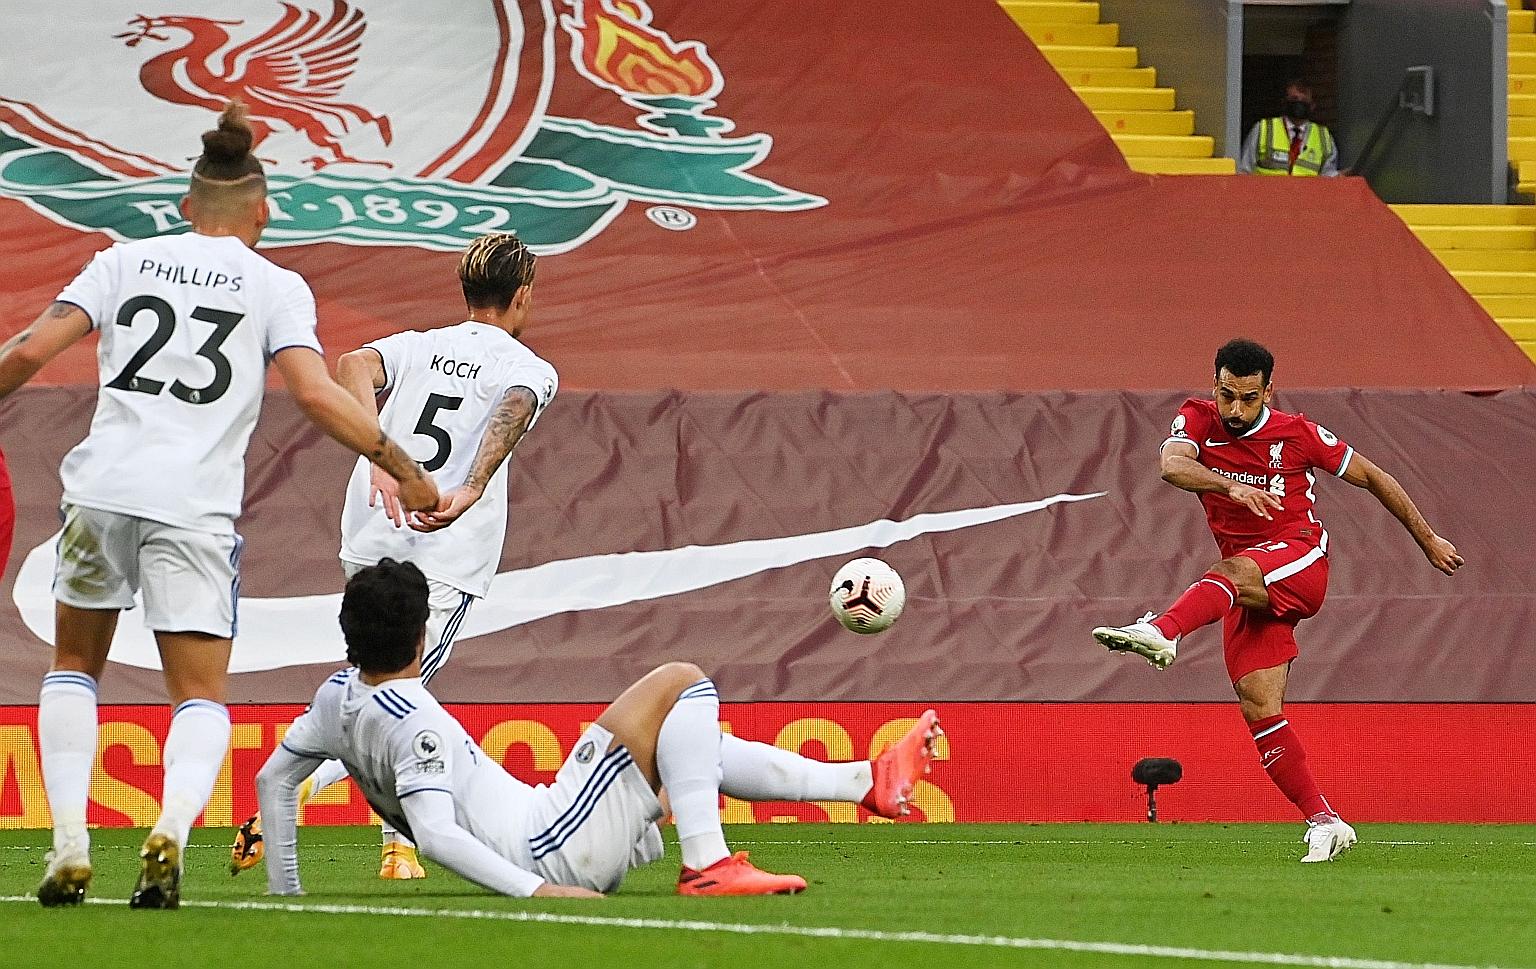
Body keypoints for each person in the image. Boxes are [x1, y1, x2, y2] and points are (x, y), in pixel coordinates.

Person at [0, 102, 438, 910]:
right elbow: (312, 391)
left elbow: (28, 350)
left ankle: (68, 845)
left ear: (182, 206)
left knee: (73, 668)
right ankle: (167, 830)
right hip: (193, 507)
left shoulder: (119, 261)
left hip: (100, 489)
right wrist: (399, 464)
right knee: (198, 694)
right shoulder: (275, 285)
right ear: (262, 211)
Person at [253, 558, 943, 898]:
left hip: (552, 824)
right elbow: (434, 835)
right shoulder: (417, 720)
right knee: (682, 680)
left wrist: (288, 893)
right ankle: (706, 863)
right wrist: (537, 890)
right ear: (419, 634)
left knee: (692, 743)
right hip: (550, 844)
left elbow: (274, 778)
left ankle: (866, 781)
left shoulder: (335, 695)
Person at [230, 232, 558, 881]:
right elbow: (513, 411)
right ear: (522, 296)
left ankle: (390, 839)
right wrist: (470, 488)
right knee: (397, 692)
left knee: (380, 686)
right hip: (443, 546)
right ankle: (316, 802)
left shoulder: (418, 345)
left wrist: (375, 452)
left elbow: (352, 362)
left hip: (371, 530)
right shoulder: (528, 366)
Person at [1092, 338, 1461, 863]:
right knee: (1260, 705)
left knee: (1232, 570)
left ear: (1269, 390)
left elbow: (1374, 477)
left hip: (1300, 561)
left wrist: (1429, 540)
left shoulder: (1298, 434)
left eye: (1247, 398)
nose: (1235, 410)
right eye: (1226, 395)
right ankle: (1326, 821)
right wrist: (1230, 487)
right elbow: (1171, 467)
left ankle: (1163, 632)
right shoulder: (1197, 418)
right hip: (1247, 587)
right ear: (1214, 385)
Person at [1237, 81, 1340, 177]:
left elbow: (1328, 177)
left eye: (1304, 100)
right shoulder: (1263, 129)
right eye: (1294, 99)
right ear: (1285, 102)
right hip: (1267, 195)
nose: (1299, 103)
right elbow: (1245, 170)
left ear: (1312, 106)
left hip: (1305, 195)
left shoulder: (1324, 136)